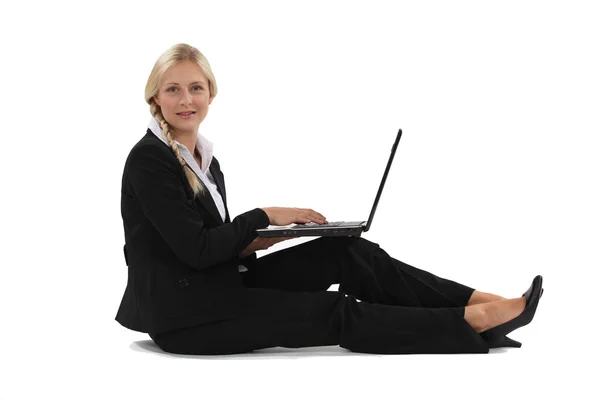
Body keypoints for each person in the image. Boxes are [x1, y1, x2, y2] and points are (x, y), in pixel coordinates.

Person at [115, 43, 543, 355]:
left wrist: (260, 239)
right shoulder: (150, 160)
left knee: (347, 252)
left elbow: (205, 241)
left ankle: (476, 301)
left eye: (195, 88)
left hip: (217, 283)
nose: (186, 100)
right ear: (155, 97)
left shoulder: (204, 158)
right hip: (186, 316)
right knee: (333, 310)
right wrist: (263, 215)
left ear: (211, 93)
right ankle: (470, 324)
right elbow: (195, 249)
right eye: (173, 90)